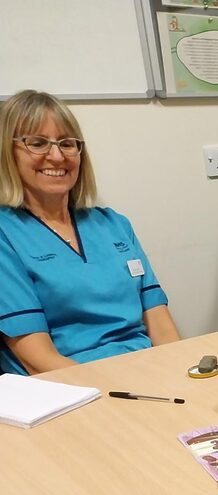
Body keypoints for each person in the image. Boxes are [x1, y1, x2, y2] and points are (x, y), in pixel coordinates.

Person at [0, 90, 180, 375]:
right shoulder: (5, 234)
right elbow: (38, 361)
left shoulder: (113, 224)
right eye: (37, 143)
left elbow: (160, 323)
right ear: (7, 154)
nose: (57, 156)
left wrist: (181, 372)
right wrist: (106, 393)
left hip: (146, 372)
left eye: (67, 144)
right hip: (70, 387)